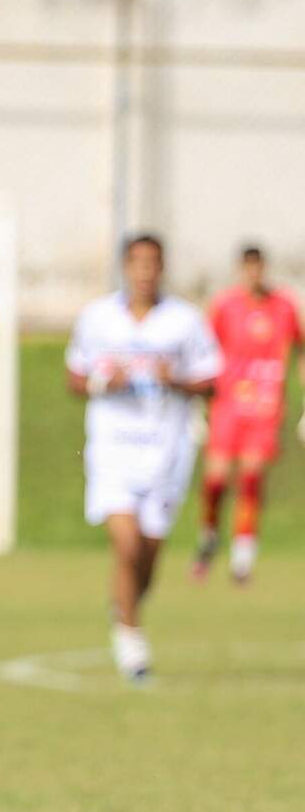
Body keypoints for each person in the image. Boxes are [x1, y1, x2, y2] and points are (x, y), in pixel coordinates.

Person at [64, 234, 220, 683]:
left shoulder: (184, 321)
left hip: (167, 452)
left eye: (153, 263)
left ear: (163, 268)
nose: (145, 271)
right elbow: (75, 377)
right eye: (137, 263)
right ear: (125, 268)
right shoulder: (97, 318)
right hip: (113, 449)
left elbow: (211, 382)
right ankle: (132, 645)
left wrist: (178, 381)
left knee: (148, 554)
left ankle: (124, 605)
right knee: (127, 543)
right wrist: (100, 384)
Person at [196, 245, 299, 585]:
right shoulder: (225, 306)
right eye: (248, 268)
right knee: (216, 481)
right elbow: (202, 353)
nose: (254, 274)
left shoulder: (283, 306)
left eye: (259, 268)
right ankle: (209, 537)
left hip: (264, 410)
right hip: (227, 406)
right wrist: (197, 407)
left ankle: (242, 556)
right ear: (241, 270)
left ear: (264, 269)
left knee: (251, 480)